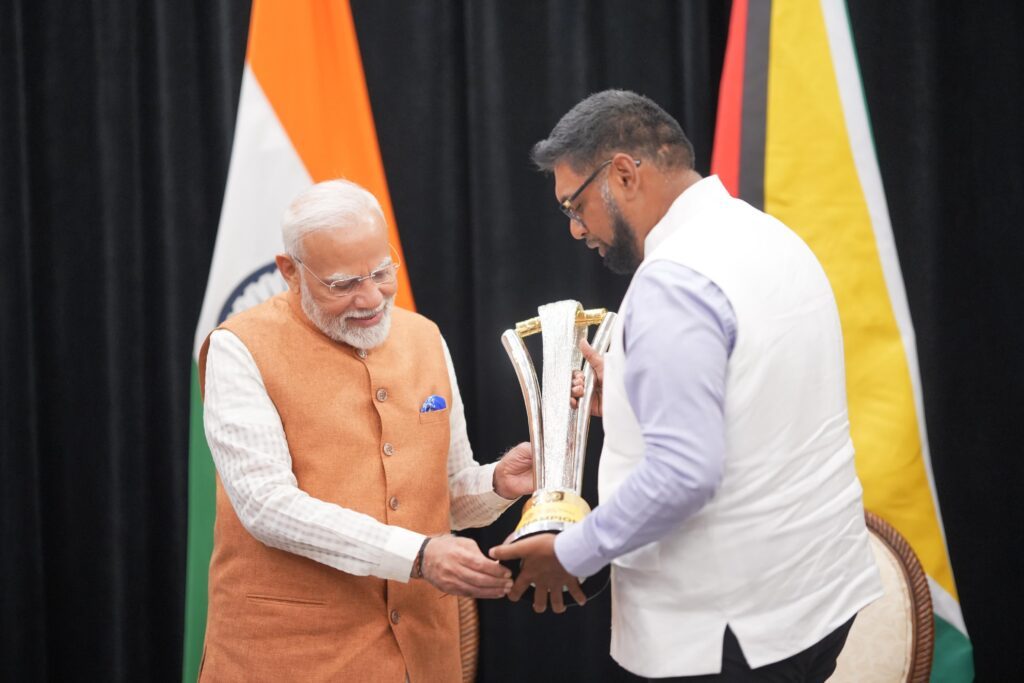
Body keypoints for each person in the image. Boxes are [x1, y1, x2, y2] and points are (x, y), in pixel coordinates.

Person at [491, 90, 883, 681]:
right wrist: (628, 396)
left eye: (574, 206)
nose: (576, 230)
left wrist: (570, 552)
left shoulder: (673, 283)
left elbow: (685, 474)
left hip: (729, 631)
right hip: (815, 600)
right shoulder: (768, 235)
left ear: (623, 174)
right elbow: (763, 390)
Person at [198, 179, 533, 682]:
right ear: (290, 271)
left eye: (381, 272)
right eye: (343, 284)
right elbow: (266, 506)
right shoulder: (238, 347)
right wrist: (416, 556)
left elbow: (445, 495)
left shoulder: (425, 336)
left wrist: (497, 485)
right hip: (292, 657)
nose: (371, 297)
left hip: (421, 654)